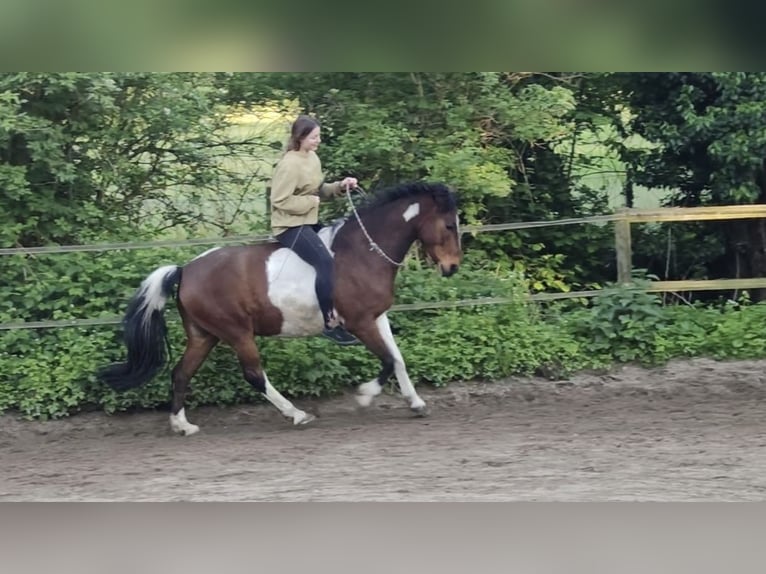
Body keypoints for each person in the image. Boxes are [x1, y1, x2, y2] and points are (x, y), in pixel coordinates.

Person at [269, 114, 359, 345]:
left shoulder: (312, 158)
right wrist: (310, 203)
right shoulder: (288, 164)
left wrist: (340, 186)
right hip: (289, 226)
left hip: (308, 221)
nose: (318, 141)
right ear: (300, 137)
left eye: (319, 136)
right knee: (325, 262)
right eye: (314, 137)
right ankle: (329, 323)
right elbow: (279, 201)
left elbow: (319, 190)